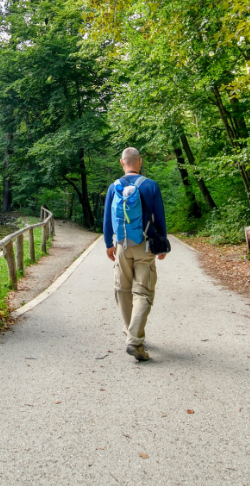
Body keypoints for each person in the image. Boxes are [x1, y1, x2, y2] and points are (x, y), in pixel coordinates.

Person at [103, 147, 168, 362]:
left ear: (122, 163)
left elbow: (106, 219)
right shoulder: (150, 185)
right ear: (139, 162)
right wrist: (162, 245)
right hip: (145, 245)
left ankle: (130, 330)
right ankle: (135, 340)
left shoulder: (114, 186)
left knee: (122, 288)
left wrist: (108, 244)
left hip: (121, 244)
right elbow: (159, 217)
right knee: (144, 292)